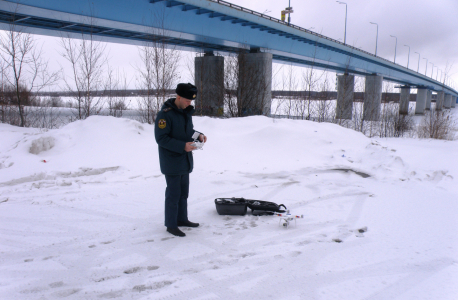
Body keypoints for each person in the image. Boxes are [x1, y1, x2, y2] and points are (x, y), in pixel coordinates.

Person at [155, 83, 207, 237]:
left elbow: (187, 131)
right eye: (187, 100)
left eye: (191, 101)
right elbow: (161, 138)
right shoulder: (165, 115)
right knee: (173, 194)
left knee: (184, 193)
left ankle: (182, 219)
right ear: (178, 97)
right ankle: (171, 224)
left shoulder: (185, 113)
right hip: (172, 162)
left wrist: (199, 136)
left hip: (185, 160)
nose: (189, 103)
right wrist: (182, 146)